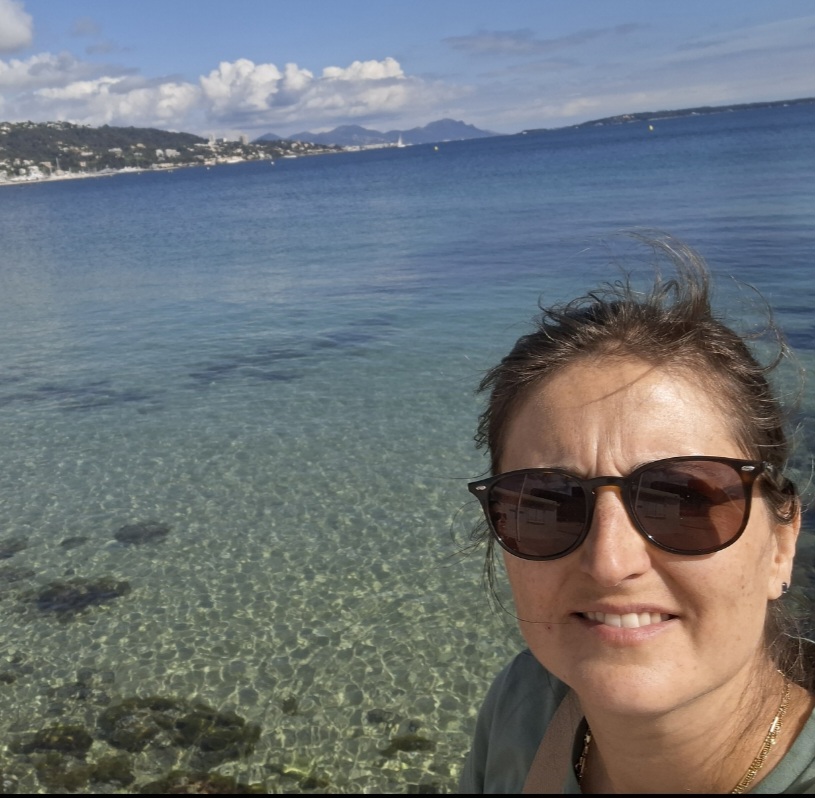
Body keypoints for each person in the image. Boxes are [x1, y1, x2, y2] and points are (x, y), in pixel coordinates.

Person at [458, 235, 814, 794]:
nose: (609, 562)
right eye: (547, 502)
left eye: (684, 499)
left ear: (780, 545)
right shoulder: (523, 705)